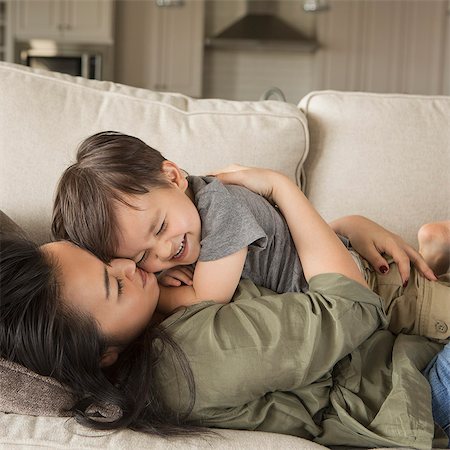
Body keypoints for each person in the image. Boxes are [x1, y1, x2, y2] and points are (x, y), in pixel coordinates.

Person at [1, 168, 449, 447]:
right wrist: (283, 187)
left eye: (105, 258)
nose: (126, 265)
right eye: (113, 282)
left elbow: (285, 266)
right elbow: (353, 307)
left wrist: (346, 228)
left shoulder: (154, 300)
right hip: (406, 390)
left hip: (398, 349)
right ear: (104, 355)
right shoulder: (191, 359)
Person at [51, 131, 437, 315]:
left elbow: (205, 298)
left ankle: (436, 252)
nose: (165, 250)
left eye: (159, 228)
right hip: (331, 261)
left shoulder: (221, 210)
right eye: (142, 257)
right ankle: (435, 251)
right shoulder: (188, 224)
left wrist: (157, 293)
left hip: (363, 281)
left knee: (423, 310)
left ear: (173, 177)